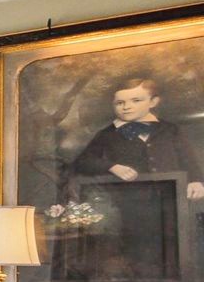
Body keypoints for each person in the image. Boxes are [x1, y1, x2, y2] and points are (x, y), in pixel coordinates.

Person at [69, 77, 204, 201]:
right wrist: (111, 166)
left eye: (136, 101)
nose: (127, 107)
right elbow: (83, 161)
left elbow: (188, 159)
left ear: (153, 102)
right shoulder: (107, 134)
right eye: (120, 103)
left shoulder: (171, 130)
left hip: (172, 198)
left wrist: (195, 180)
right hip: (130, 200)